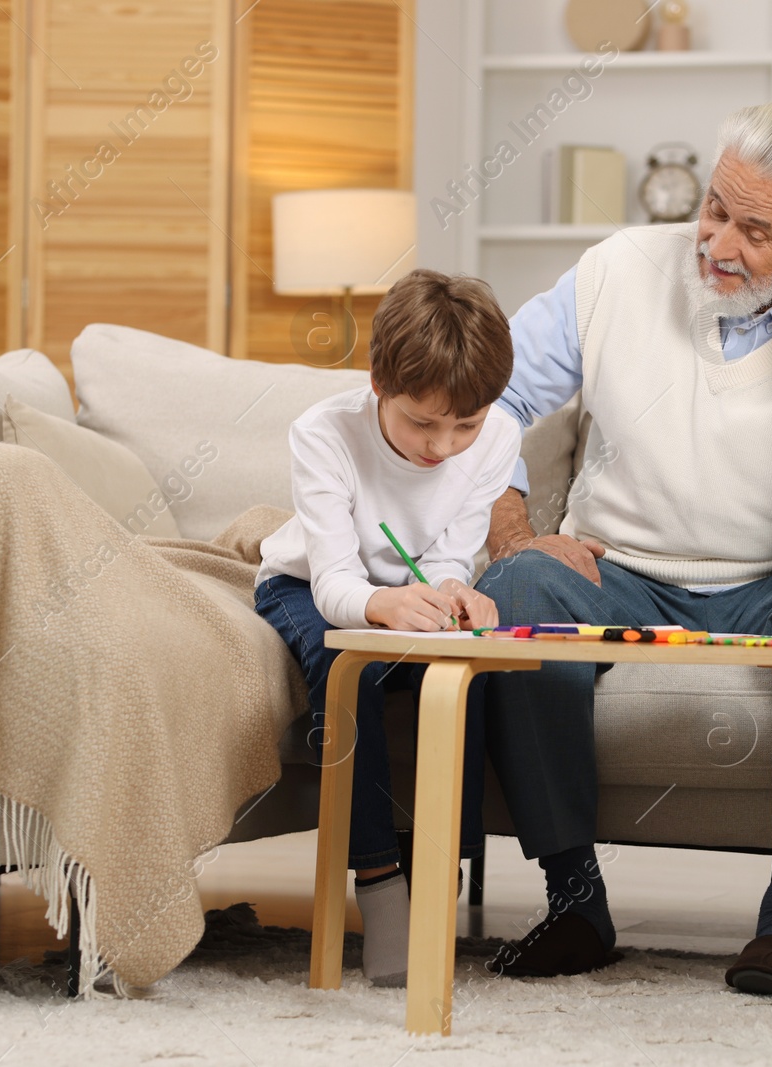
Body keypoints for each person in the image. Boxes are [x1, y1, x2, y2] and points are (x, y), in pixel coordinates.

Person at [477, 101, 772, 996]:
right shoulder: (615, 271)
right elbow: (485, 395)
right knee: (520, 583)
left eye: (753, 229)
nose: (715, 243)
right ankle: (574, 900)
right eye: (712, 209)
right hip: (623, 571)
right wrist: (517, 527)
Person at [254, 268, 520, 987]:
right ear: (377, 381)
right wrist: (383, 606)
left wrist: (450, 592)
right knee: (352, 667)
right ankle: (378, 882)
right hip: (310, 584)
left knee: (460, 668)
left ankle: (438, 872)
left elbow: (449, 552)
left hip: (401, 589)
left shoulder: (495, 436)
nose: (443, 446)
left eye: (464, 424)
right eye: (422, 421)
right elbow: (337, 580)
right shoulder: (322, 434)